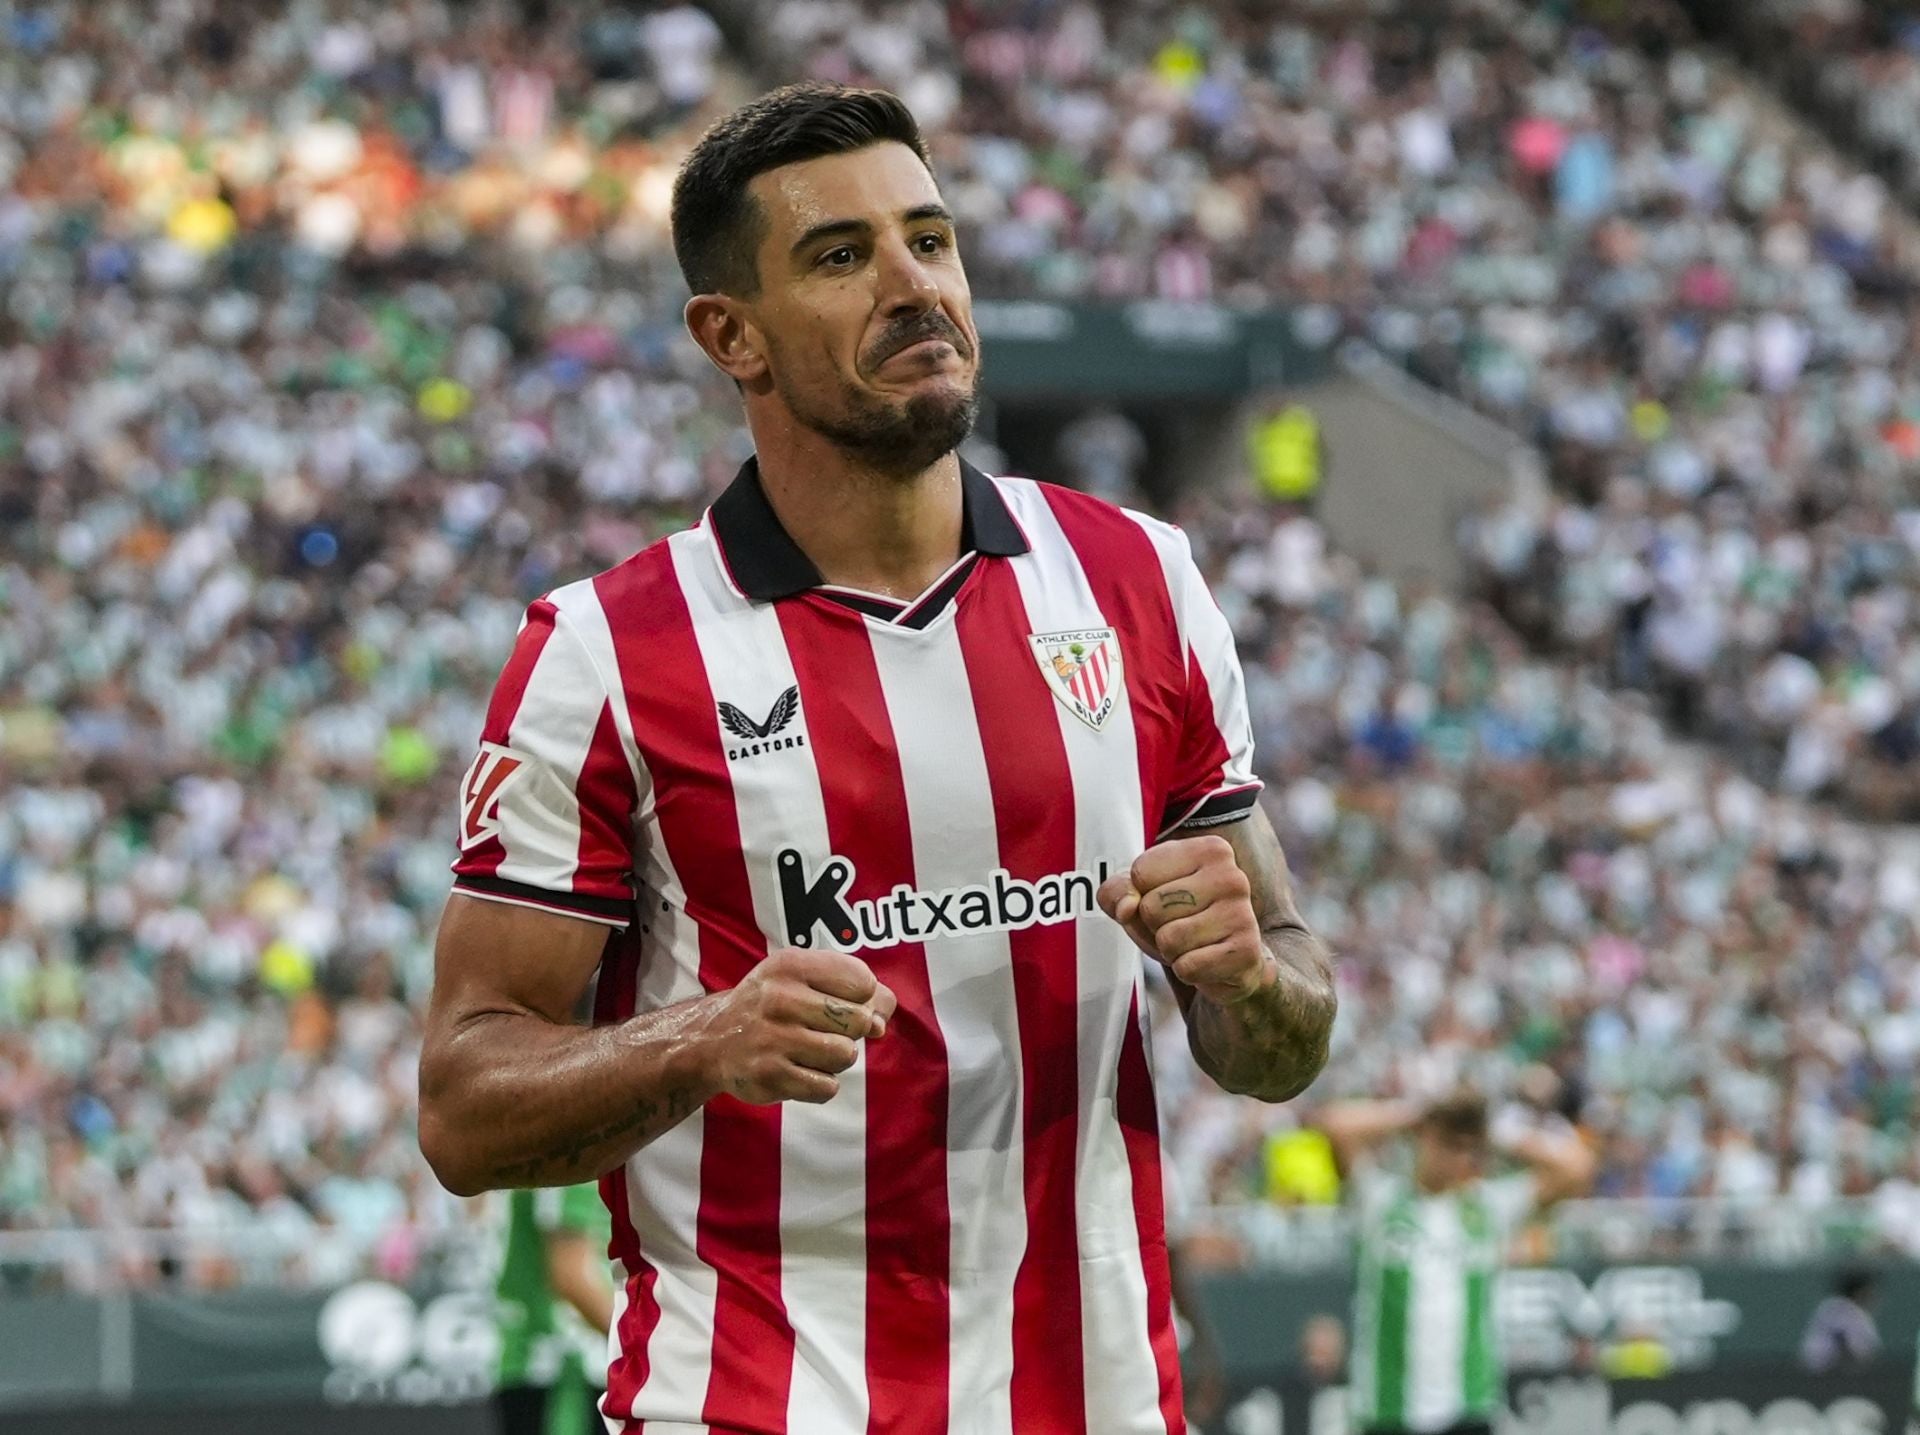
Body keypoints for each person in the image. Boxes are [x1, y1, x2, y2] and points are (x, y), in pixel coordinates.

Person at [418, 82, 1338, 1432]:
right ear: (731, 334)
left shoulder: (1141, 580)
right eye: (841, 256)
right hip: (746, 1404)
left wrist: (1252, 975)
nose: (913, 285)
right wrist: (704, 1035)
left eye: (931, 238)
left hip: (1098, 1401)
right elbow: (463, 1105)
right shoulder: (606, 652)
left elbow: (1280, 1041)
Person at [1317, 1091, 1594, 1435]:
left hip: (1467, 1410)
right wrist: (1416, 1114)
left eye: (1466, 1148)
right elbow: (1334, 1123)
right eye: (1448, 1143)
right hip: (1386, 1412)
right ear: (1424, 1139)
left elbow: (1576, 1165)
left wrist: (1493, 1132)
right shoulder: (1380, 1199)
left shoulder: (1490, 1208)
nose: (1457, 1156)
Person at [495, 1182, 615, 1435]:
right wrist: (639, 1342)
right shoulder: (573, 1160)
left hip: (553, 1362)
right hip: (563, 1368)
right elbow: (570, 1277)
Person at [1800, 1268, 1881, 1373]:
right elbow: (1841, 1340)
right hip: (1826, 1372)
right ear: (1859, 1291)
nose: (1873, 1296)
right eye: (1869, 1291)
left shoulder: (1857, 1312)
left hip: (1831, 1372)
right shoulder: (1840, 1306)